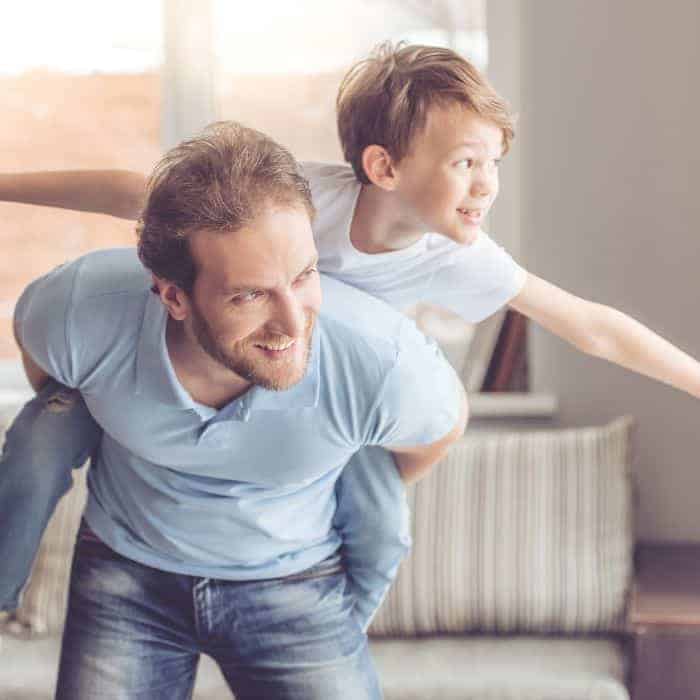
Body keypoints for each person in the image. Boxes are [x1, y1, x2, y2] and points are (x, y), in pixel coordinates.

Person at [3, 40, 700, 636]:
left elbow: (591, 326)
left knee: (386, 523)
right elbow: (135, 191)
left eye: (495, 163)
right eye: (465, 162)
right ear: (383, 167)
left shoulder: (460, 255)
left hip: (311, 415)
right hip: (190, 381)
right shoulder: (298, 199)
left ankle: (330, 633)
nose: (487, 185)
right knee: (35, 446)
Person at [10, 121, 466, 698]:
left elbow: (441, 431)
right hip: (126, 570)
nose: (295, 323)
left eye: (303, 276)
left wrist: (327, 473)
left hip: (295, 579)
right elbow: (47, 365)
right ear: (173, 295)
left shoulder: (383, 361)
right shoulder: (80, 309)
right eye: (249, 295)